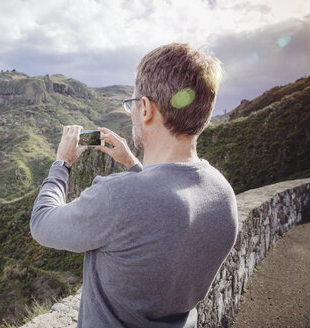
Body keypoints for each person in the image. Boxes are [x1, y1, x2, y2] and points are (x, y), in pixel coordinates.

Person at [30, 43, 238, 328]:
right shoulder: (222, 193)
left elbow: (41, 224)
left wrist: (62, 164)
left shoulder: (117, 197)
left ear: (146, 109)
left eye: (133, 104)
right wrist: (133, 165)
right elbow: (162, 209)